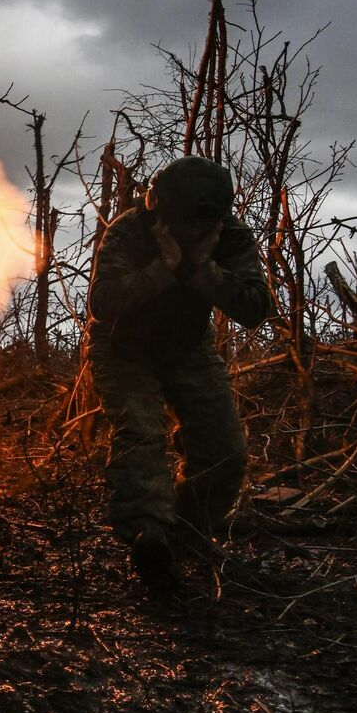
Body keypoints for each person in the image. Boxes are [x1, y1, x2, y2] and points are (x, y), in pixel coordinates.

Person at [86, 155, 271, 596]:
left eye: (200, 225)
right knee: (142, 435)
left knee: (225, 449)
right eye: (184, 223)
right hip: (124, 348)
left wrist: (199, 270)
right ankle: (149, 538)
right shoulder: (130, 230)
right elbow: (103, 302)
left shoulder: (229, 236)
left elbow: (255, 307)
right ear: (161, 212)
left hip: (188, 348)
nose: (193, 232)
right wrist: (164, 270)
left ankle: (185, 534)